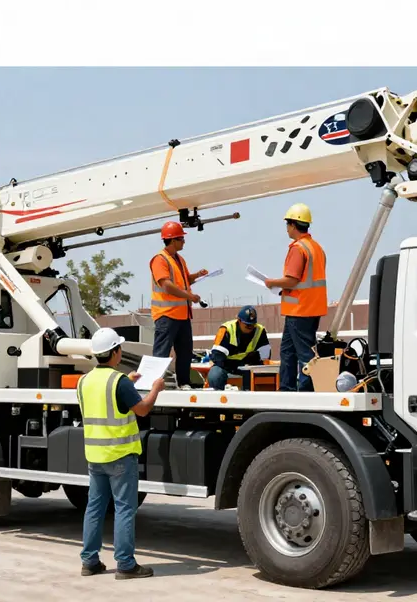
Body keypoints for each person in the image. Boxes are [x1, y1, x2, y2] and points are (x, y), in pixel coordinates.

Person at [78, 327, 165, 580]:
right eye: (120, 348)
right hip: (120, 455)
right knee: (124, 509)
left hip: (95, 456)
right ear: (115, 352)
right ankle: (125, 565)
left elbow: (105, 399)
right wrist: (156, 388)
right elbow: (142, 409)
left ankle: (90, 562)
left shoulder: (85, 381)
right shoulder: (119, 382)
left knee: (94, 508)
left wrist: (129, 382)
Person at [264, 203, 327, 392]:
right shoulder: (316, 248)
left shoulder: (298, 249)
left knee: (304, 354)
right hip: (311, 308)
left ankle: (306, 391)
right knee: (288, 352)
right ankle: (287, 389)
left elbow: (292, 280)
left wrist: (272, 283)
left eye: (287, 224)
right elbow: (307, 281)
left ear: (292, 225)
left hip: (300, 310)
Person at [149, 221, 207, 389]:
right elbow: (166, 285)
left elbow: (183, 281)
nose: (184, 241)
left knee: (185, 352)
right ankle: (153, 383)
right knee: (161, 353)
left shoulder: (179, 259)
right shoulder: (160, 260)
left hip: (182, 314)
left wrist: (197, 275)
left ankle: (183, 383)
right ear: (172, 240)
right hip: (166, 314)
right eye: (181, 238)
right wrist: (189, 295)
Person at [208, 305, 272, 390]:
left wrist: (253, 363)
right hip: (227, 365)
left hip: (247, 366)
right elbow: (217, 356)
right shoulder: (227, 329)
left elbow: (265, 357)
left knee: (264, 374)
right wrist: (234, 365)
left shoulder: (259, 331)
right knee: (215, 374)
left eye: (252, 325)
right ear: (239, 321)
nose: (250, 328)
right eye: (247, 325)